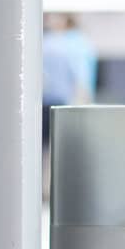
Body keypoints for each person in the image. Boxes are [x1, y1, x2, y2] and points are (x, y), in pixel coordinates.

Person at [43, 12, 99, 147]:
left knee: (49, 148)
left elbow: (81, 80)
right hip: (66, 105)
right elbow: (82, 81)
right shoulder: (78, 43)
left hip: (53, 103)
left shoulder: (56, 43)